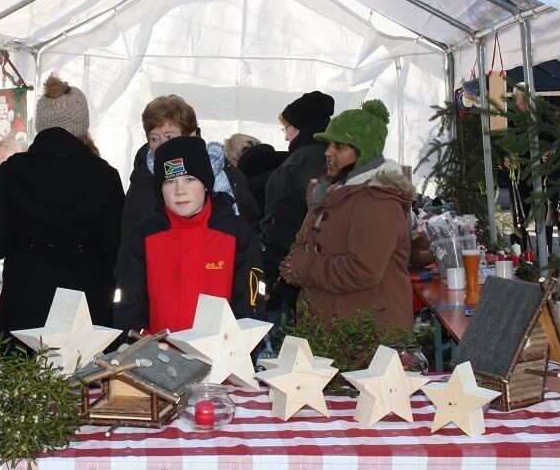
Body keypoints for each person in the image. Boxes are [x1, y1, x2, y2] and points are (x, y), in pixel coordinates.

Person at [0, 75, 124, 343]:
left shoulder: (12, 171)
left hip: (24, 307)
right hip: (85, 309)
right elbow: (115, 253)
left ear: (40, 124)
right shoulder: (104, 176)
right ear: (82, 125)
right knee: (83, 382)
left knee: (20, 384)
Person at [278, 99, 414, 333]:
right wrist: (294, 263)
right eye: (329, 144)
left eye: (339, 146)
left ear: (363, 152)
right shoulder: (325, 193)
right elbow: (302, 243)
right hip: (329, 323)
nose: (329, 152)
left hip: (364, 332)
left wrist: (304, 267)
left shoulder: (378, 201)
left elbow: (363, 270)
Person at [114, 136, 263, 333]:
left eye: (190, 179)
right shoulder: (142, 236)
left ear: (206, 184)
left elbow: (250, 303)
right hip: (156, 355)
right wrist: (137, 341)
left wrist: (236, 349)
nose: (180, 190)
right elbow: (128, 301)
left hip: (219, 355)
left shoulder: (236, 234)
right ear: (160, 189)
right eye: (169, 182)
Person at [120, 95, 259, 238]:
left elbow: (250, 219)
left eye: (169, 137)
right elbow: (133, 240)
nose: (162, 145)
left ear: (191, 136)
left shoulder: (225, 169)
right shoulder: (144, 182)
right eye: (154, 139)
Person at [260, 90, 334, 321]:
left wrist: (274, 277)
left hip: (297, 274)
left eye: (287, 129)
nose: (285, 137)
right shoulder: (337, 157)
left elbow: (278, 222)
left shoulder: (298, 163)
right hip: (329, 272)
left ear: (301, 127)